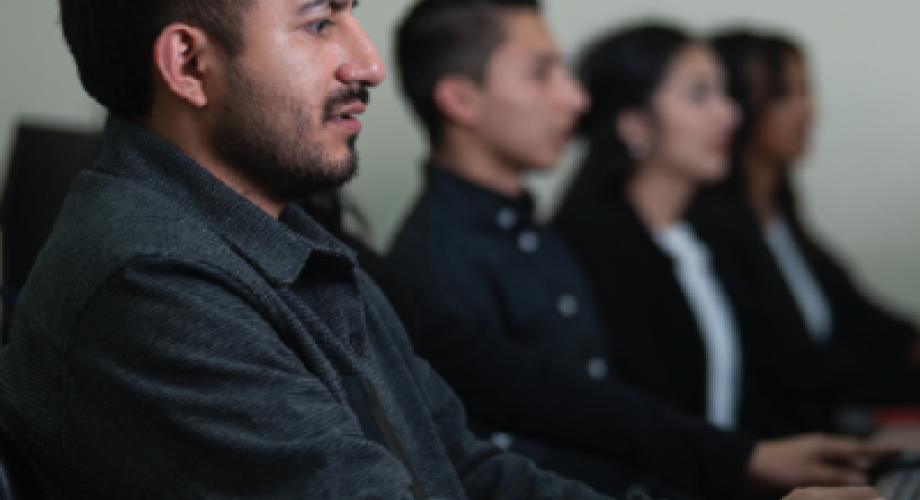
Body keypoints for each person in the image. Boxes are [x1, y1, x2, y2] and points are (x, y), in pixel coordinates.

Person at [0, 0, 623, 498]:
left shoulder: (287, 237)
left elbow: (460, 465)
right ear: (188, 64)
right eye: (320, 22)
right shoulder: (151, 281)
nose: (369, 65)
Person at [387, 5, 893, 499]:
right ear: (461, 99)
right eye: (541, 73)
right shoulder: (437, 264)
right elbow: (500, 470)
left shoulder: (535, 236)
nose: (576, 98)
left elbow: (607, 421)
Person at [705, 29, 920, 374]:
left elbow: (860, 316)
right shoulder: (712, 228)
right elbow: (787, 366)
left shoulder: (779, 213)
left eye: (805, 91)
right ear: (735, 104)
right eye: (782, 94)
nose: (808, 111)